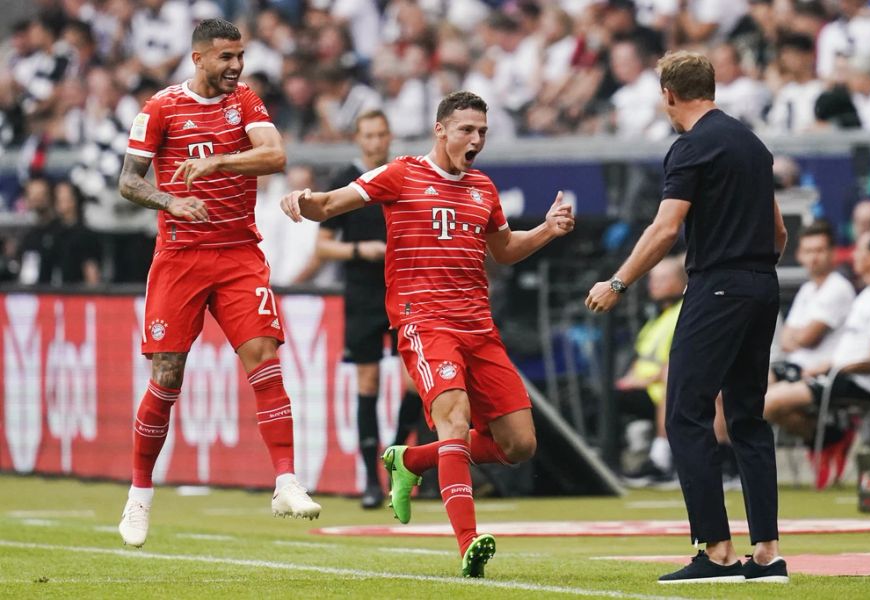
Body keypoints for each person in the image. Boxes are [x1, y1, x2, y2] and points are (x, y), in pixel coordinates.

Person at [280, 91, 574, 577]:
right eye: (466, 129)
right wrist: (303, 201)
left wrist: (546, 229)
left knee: (520, 445)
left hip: (479, 327)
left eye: (482, 131)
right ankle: (468, 544)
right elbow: (331, 203)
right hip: (424, 321)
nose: (476, 139)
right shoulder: (402, 173)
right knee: (455, 419)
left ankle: (411, 460)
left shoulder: (483, 187)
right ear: (440, 130)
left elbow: (502, 250)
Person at [116, 18, 321, 549]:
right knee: (167, 375)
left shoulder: (246, 102)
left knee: (264, 356)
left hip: (237, 253)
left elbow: (276, 156)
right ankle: (139, 495)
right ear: (198, 59)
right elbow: (129, 181)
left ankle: (285, 481)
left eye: (240, 56)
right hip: (180, 256)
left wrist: (219, 164)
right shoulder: (160, 108)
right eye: (225, 57)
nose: (236, 66)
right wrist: (171, 200)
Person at [585, 51, 788, 584]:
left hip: (717, 285)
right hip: (762, 284)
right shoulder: (752, 143)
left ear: (668, 95)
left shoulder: (692, 147)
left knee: (685, 412)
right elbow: (780, 233)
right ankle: (766, 554)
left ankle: (717, 551)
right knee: (747, 416)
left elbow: (666, 229)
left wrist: (618, 281)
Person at [315, 109, 423, 509]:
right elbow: (323, 245)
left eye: (381, 134)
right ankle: (370, 481)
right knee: (368, 384)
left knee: (413, 382)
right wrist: (362, 250)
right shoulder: (346, 179)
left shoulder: (402, 175)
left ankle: (395, 457)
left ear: (390, 136)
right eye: (368, 135)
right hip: (362, 292)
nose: (375, 141)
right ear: (358, 139)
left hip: (402, 291)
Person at [764, 231, 870, 487]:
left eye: (860, 251)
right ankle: (830, 439)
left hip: (860, 382)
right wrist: (824, 368)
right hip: (837, 373)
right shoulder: (867, 294)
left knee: (768, 402)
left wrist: (833, 368)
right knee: (761, 393)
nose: (854, 256)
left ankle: (828, 438)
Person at [617, 256, 685, 485]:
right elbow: (641, 356)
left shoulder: (683, 313)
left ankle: (660, 461)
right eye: (652, 279)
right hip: (648, 387)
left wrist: (642, 382)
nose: (654, 285)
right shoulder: (656, 317)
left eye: (663, 278)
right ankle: (626, 462)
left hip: (662, 389)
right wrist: (628, 379)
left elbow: (676, 361)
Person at [772, 221, 856, 384]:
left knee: (754, 399)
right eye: (808, 251)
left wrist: (799, 336)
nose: (814, 257)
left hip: (820, 376)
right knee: (728, 393)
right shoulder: (807, 289)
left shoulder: (838, 287)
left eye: (819, 250)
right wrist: (800, 336)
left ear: (833, 253)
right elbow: (785, 340)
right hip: (793, 368)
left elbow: (807, 338)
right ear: (799, 255)